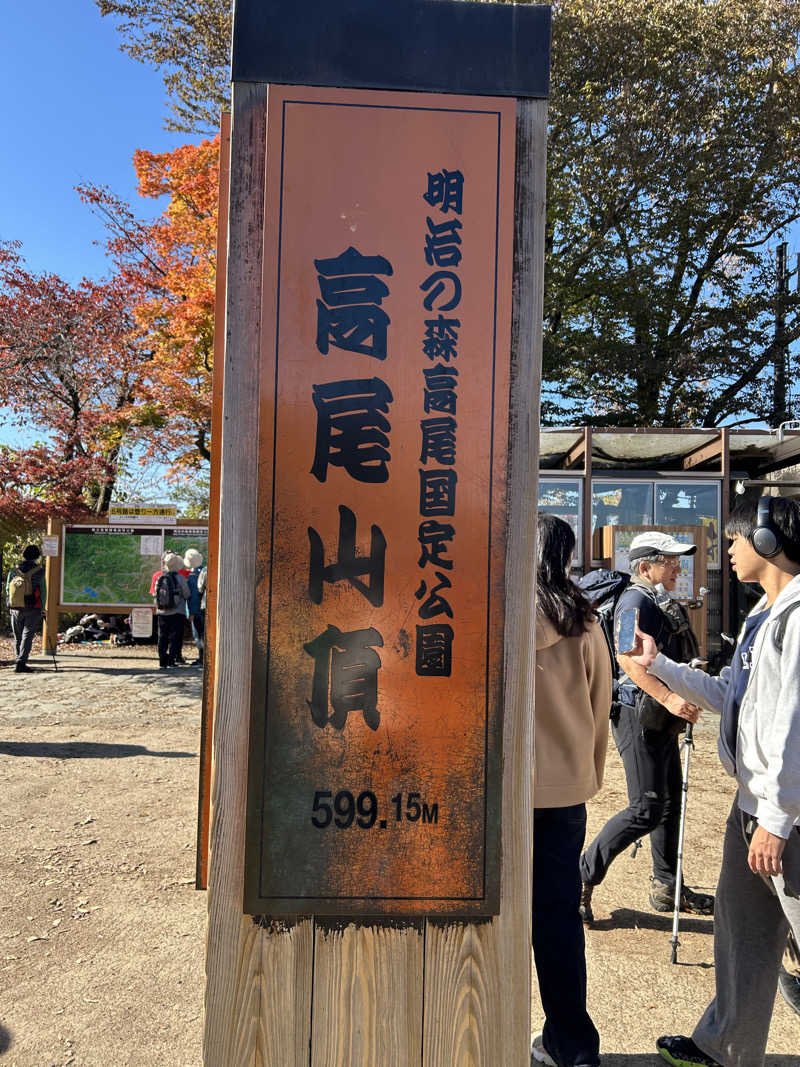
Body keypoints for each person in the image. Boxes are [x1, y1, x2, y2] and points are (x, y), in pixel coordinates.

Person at [624, 496, 800, 1067]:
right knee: (741, 932)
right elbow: (734, 699)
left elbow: (794, 724)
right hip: (753, 804)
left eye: (736, 538)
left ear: (769, 543)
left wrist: (776, 818)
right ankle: (724, 1046)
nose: (727, 549)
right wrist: (663, 667)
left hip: (784, 814)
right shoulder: (764, 614)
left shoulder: (797, 619)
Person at [579, 532, 715, 920]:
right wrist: (670, 697)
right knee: (647, 807)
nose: (677, 566)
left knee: (669, 802)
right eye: (669, 560)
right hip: (637, 712)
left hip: (657, 714)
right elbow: (626, 658)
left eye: (677, 560)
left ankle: (667, 887)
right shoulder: (636, 600)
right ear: (644, 566)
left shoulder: (657, 599)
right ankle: (582, 875)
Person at [531, 515, 612, 1067]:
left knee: (492, 910)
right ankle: (573, 1045)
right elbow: (600, 701)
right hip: (564, 794)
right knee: (557, 918)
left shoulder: (499, 613)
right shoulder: (585, 619)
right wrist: (590, 771)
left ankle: (478, 1025)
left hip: (501, 792)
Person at [6, 544, 46, 673]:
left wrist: (10, 604)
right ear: (37, 557)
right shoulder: (39, 571)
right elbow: (43, 590)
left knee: (18, 636)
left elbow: (8, 588)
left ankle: (18, 660)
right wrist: (43, 607)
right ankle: (21, 662)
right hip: (33, 607)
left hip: (16, 607)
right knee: (27, 635)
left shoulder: (14, 570)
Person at [153, 552, 190, 670]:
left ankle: (162, 660)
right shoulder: (181, 578)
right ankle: (171, 660)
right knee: (175, 636)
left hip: (162, 612)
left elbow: (155, 594)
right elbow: (187, 594)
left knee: (162, 636)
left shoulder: (160, 577)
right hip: (177, 612)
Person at [183, 548, 205, 667]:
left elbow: (193, 596)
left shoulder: (192, 576)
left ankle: (202, 658)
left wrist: (192, 612)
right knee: (204, 633)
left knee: (198, 635)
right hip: (204, 608)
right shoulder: (204, 571)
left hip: (196, 610)